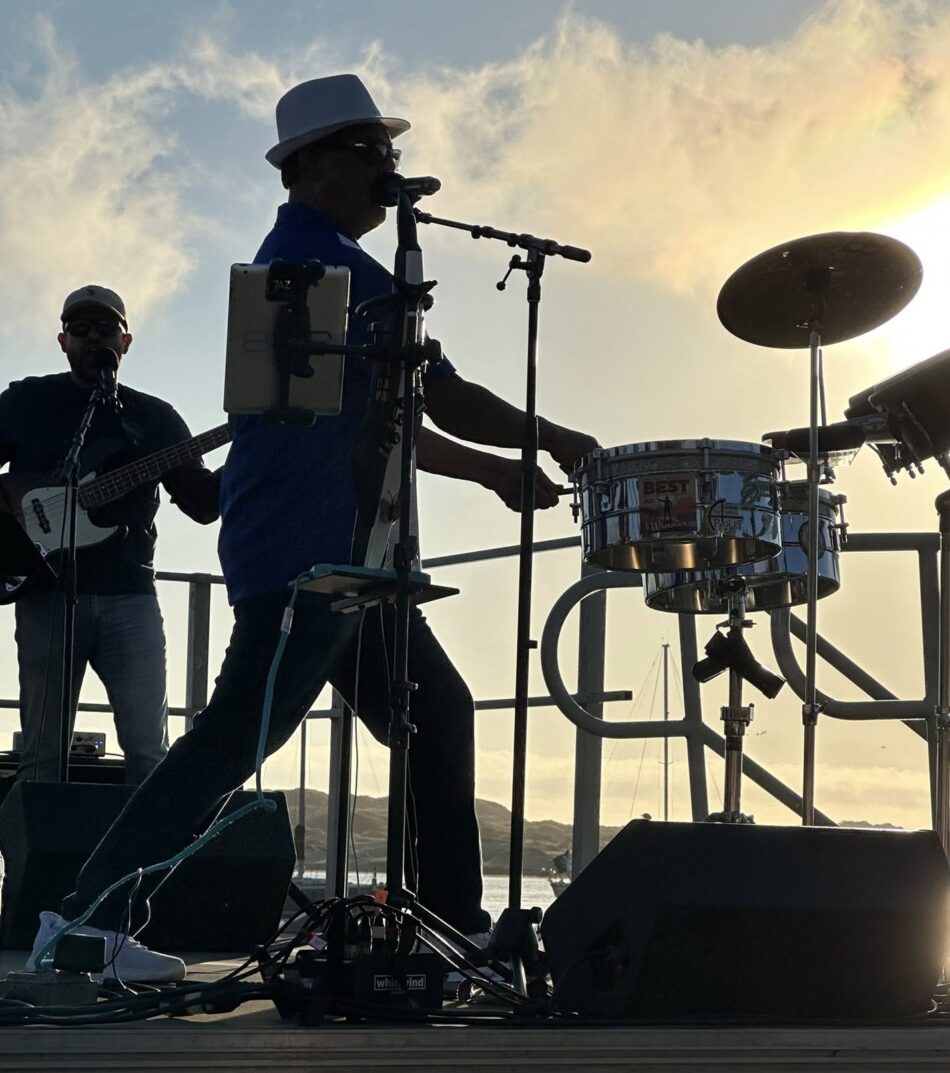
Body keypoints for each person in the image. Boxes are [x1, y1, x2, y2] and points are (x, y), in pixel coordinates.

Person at [31, 75, 597, 983]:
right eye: (372, 151)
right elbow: (432, 399)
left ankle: (450, 931)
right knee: (227, 743)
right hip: (308, 556)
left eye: (392, 153)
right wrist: (551, 440)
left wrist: (501, 465)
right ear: (313, 165)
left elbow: (395, 416)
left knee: (439, 715)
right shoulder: (314, 268)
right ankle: (87, 922)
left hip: (354, 561)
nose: (390, 168)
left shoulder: (340, 264)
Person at [0, 286, 221, 785]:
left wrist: (253, 463)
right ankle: (34, 865)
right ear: (62, 340)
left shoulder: (154, 417)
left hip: (131, 596)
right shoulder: (26, 400)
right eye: (81, 328)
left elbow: (203, 504)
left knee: (148, 754)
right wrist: (14, 500)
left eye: (106, 327)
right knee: (40, 758)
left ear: (126, 341)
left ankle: (145, 864)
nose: (93, 335)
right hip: (45, 595)